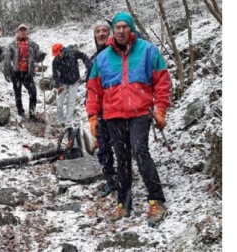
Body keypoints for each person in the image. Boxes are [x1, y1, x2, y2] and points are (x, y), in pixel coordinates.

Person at [86, 12, 171, 226]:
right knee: (122, 159)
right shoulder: (103, 58)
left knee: (139, 151)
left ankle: (156, 200)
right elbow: (94, 90)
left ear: (131, 28)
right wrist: (93, 117)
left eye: (125, 26)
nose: (121, 30)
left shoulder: (147, 50)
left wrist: (160, 110)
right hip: (113, 115)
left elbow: (162, 82)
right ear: (113, 31)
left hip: (140, 112)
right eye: (117, 27)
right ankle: (124, 204)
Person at [85, 20, 116, 198]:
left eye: (105, 31)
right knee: (103, 146)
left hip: (118, 106)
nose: (102, 34)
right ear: (95, 35)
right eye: (98, 31)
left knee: (121, 145)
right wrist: (90, 110)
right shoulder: (92, 59)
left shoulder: (118, 54)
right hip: (99, 108)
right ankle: (110, 180)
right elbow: (90, 86)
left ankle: (124, 178)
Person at [4, 23, 46, 120]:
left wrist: (41, 57)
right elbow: (7, 59)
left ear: (27, 32)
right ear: (17, 32)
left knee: (33, 93)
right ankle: (20, 112)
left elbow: (36, 58)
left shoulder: (33, 44)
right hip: (16, 72)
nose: (23, 32)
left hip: (28, 73)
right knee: (17, 94)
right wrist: (7, 72)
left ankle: (32, 113)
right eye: (21, 30)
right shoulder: (11, 45)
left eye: (24, 30)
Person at [52, 43, 89, 127]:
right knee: (59, 103)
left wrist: (87, 64)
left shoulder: (73, 53)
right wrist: (59, 85)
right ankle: (61, 121)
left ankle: (68, 122)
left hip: (74, 81)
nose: (57, 56)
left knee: (71, 103)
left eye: (58, 54)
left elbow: (83, 56)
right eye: (55, 55)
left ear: (62, 51)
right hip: (63, 83)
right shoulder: (55, 61)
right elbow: (55, 75)